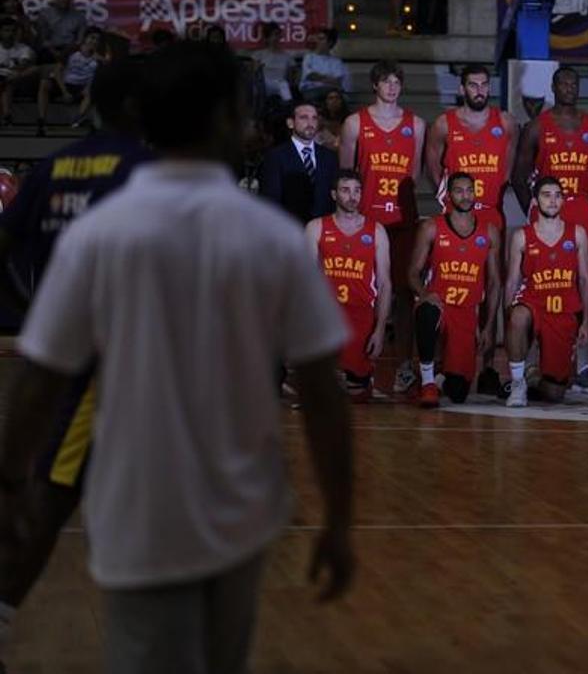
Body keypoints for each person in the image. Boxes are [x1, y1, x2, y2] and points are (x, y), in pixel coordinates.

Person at [0, 41, 353, 671]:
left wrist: (6, 480)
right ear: (228, 118)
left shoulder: (96, 231)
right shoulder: (273, 237)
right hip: (240, 513)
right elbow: (324, 395)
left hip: (136, 508)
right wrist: (340, 518)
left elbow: (37, 381)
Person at [0, 59, 152, 669]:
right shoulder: (145, 171)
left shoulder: (53, 167)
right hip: (118, 362)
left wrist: (33, 309)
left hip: (66, 353)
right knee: (57, 501)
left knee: (56, 499)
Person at [426, 64, 518, 395]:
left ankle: (489, 366)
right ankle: (441, 366)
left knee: (492, 287)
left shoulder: (505, 122)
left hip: (491, 217)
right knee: (451, 288)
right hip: (456, 218)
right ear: (462, 88)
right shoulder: (444, 124)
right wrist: (453, 202)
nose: (479, 90)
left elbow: (507, 172)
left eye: (484, 84)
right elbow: (433, 167)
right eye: (473, 85)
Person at [513, 66, 588, 392]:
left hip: (583, 216)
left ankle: (583, 365)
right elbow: (518, 176)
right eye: (563, 82)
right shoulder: (538, 126)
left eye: (573, 82)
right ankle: (533, 361)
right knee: (540, 286)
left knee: (582, 286)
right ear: (553, 87)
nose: (569, 87)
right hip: (548, 215)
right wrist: (534, 209)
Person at [339, 60, 426, 394]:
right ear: (374, 85)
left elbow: (413, 176)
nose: (391, 87)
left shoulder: (415, 124)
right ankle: (357, 363)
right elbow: (346, 174)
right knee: (362, 292)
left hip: (402, 221)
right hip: (367, 220)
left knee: (404, 293)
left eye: (396, 82)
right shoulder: (354, 123)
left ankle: (404, 365)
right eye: (385, 81)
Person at [407, 172, 501, 407]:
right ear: (449, 195)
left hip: (467, 313)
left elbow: (494, 282)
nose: (465, 196)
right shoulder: (431, 227)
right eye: (459, 191)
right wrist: (425, 294)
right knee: (427, 311)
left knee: (458, 393)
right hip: (440, 304)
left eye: (469, 190)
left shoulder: (489, 231)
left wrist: (488, 326)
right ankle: (428, 382)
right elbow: (412, 273)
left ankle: (439, 377)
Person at [504, 177, 588, 407]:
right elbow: (512, 281)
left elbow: (585, 279)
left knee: (554, 393)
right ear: (535, 201)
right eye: (546, 195)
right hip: (532, 304)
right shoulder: (522, 236)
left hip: (563, 312)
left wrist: (586, 321)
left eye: (557, 195)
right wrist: (508, 317)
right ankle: (517, 383)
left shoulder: (577, 234)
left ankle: (533, 377)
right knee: (518, 316)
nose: (553, 200)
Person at [306, 169, 392, 400]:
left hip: (361, 315)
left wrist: (380, 329)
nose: (352, 196)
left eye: (357, 191)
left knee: (358, 392)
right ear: (334, 195)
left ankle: (358, 375)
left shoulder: (377, 230)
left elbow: (385, 283)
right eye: (345, 190)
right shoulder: (316, 227)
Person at [260, 100, 339, 225]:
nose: (310, 123)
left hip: (324, 229)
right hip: (290, 228)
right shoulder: (275, 157)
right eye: (304, 118)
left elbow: (333, 197)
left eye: (314, 118)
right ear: (290, 123)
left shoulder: (329, 157)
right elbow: (271, 201)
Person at [36, 26, 103, 136]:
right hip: (66, 84)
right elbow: (57, 71)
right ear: (85, 38)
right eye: (92, 38)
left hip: (84, 87)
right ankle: (41, 120)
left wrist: (101, 60)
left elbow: (100, 77)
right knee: (45, 83)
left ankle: (78, 119)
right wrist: (64, 92)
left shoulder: (100, 56)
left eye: (97, 39)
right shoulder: (72, 50)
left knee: (91, 90)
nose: (94, 41)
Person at [33, 0, 85, 66]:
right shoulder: (45, 14)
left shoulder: (79, 17)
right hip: (50, 50)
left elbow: (79, 40)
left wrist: (66, 51)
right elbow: (42, 39)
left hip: (71, 50)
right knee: (43, 55)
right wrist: (55, 52)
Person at [298, 28, 351, 103]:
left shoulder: (337, 62)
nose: (318, 41)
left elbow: (338, 81)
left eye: (321, 39)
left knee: (336, 97)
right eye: (318, 38)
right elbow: (310, 76)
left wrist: (318, 77)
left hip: (331, 92)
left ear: (330, 43)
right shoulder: (309, 58)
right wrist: (329, 79)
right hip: (311, 91)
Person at [0, 17, 35, 126]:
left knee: (9, 81)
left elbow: (24, 65)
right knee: (5, 83)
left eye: (13, 31)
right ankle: (6, 116)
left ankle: (6, 116)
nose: (10, 34)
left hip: (19, 81)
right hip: (3, 80)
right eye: (6, 30)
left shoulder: (23, 48)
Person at [252, 22, 294, 103]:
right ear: (267, 38)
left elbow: (290, 78)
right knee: (256, 87)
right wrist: (258, 67)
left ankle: (288, 106)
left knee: (283, 84)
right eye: (274, 35)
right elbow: (255, 74)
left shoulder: (287, 56)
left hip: (281, 83)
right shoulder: (259, 54)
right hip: (264, 84)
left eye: (278, 34)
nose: (277, 37)